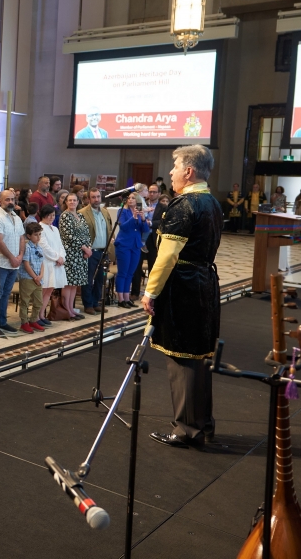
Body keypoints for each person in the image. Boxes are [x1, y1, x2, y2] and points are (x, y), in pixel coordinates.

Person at [141, 145, 222, 449]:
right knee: (199, 357)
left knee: (183, 357)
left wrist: (150, 291)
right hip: (205, 282)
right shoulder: (212, 202)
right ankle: (203, 423)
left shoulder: (184, 204)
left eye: (175, 167)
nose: (171, 172)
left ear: (188, 171)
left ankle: (187, 430)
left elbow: (167, 256)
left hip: (184, 285)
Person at [0, 190, 25, 336]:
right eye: (7, 199)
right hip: (0, 263)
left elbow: (21, 238)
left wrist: (20, 255)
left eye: (12, 199)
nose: (10, 202)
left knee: (6, 294)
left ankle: (2, 321)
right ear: (0, 201)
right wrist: (11, 257)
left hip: (14, 262)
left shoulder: (17, 218)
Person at [78, 188, 113, 314]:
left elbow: (109, 229)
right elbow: (80, 233)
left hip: (103, 251)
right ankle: (88, 304)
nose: (96, 199)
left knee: (100, 279)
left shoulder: (105, 212)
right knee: (88, 279)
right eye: (93, 197)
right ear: (88, 199)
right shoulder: (82, 213)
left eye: (98, 196)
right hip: (90, 251)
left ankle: (95, 302)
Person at [115, 192, 151, 309]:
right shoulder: (122, 211)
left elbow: (145, 229)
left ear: (137, 201)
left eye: (133, 198)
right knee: (123, 272)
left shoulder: (140, 212)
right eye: (129, 198)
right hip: (124, 244)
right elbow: (123, 227)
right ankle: (120, 299)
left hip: (135, 245)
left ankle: (127, 297)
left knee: (131, 272)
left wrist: (143, 218)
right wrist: (134, 217)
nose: (130, 200)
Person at [58, 193, 91, 321]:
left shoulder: (80, 215)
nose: (72, 202)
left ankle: (71, 309)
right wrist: (84, 248)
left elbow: (87, 233)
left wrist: (88, 247)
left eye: (74, 200)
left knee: (75, 284)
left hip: (81, 255)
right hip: (71, 253)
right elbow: (68, 236)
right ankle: (66, 310)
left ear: (78, 202)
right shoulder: (65, 216)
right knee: (68, 283)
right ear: (66, 202)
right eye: (69, 200)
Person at [36, 204, 67, 323]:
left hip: (56, 263)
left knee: (49, 290)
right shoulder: (40, 227)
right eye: (49, 215)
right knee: (43, 290)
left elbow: (60, 245)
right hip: (46, 262)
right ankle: (36, 316)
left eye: (53, 215)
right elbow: (44, 246)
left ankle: (42, 315)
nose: (51, 217)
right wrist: (57, 258)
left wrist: (62, 257)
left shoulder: (55, 229)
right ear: (43, 215)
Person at [17, 223, 47, 334]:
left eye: (39, 234)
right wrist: (35, 277)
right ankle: (24, 323)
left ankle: (33, 320)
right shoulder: (27, 247)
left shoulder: (39, 247)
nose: (38, 237)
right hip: (28, 278)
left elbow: (42, 263)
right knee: (25, 301)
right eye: (35, 235)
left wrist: (41, 275)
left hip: (38, 279)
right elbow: (26, 264)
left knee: (39, 302)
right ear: (29, 236)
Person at [146, 194, 170, 271]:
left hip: (154, 237)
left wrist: (151, 223)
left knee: (152, 263)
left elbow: (164, 221)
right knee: (136, 265)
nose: (152, 194)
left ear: (158, 193)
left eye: (154, 192)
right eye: (150, 191)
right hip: (141, 237)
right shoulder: (143, 204)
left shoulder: (164, 207)